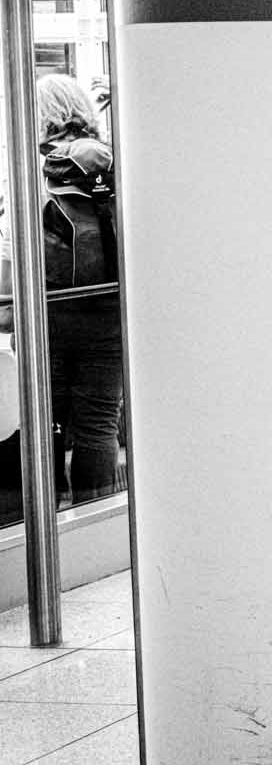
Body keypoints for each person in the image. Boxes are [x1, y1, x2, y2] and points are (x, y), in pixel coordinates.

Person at [0, 75, 125, 504]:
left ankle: (50, 516)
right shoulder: (112, 163)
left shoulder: (30, 169)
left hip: (47, 313)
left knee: (44, 421)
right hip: (110, 311)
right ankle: (98, 519)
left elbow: (10, 252)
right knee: (98, 422)